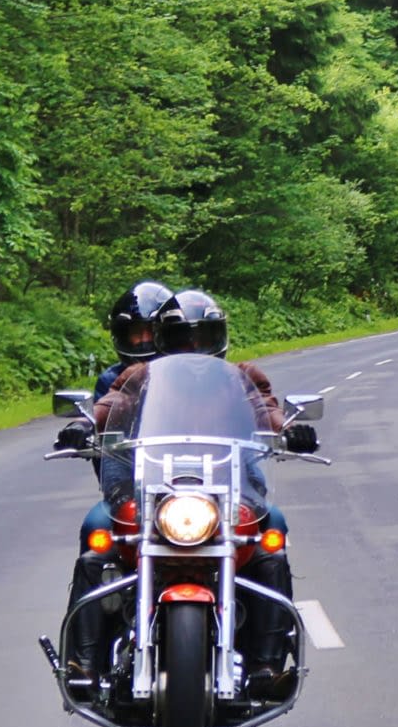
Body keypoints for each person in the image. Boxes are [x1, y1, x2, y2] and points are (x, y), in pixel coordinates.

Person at [57, 289, 311, 693]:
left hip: (227, 493)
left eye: (202, 338)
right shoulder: (140, 379)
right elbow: (110, 405)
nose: (193, 349)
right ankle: (83, 665)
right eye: (181, 339)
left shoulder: (242, 378)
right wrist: (84, 426)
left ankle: (267, 664)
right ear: (164, 341)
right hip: (151, 493)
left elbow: (265, 409)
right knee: (98, 533)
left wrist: (290, 429)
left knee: (272, 533)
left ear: (219, 337)